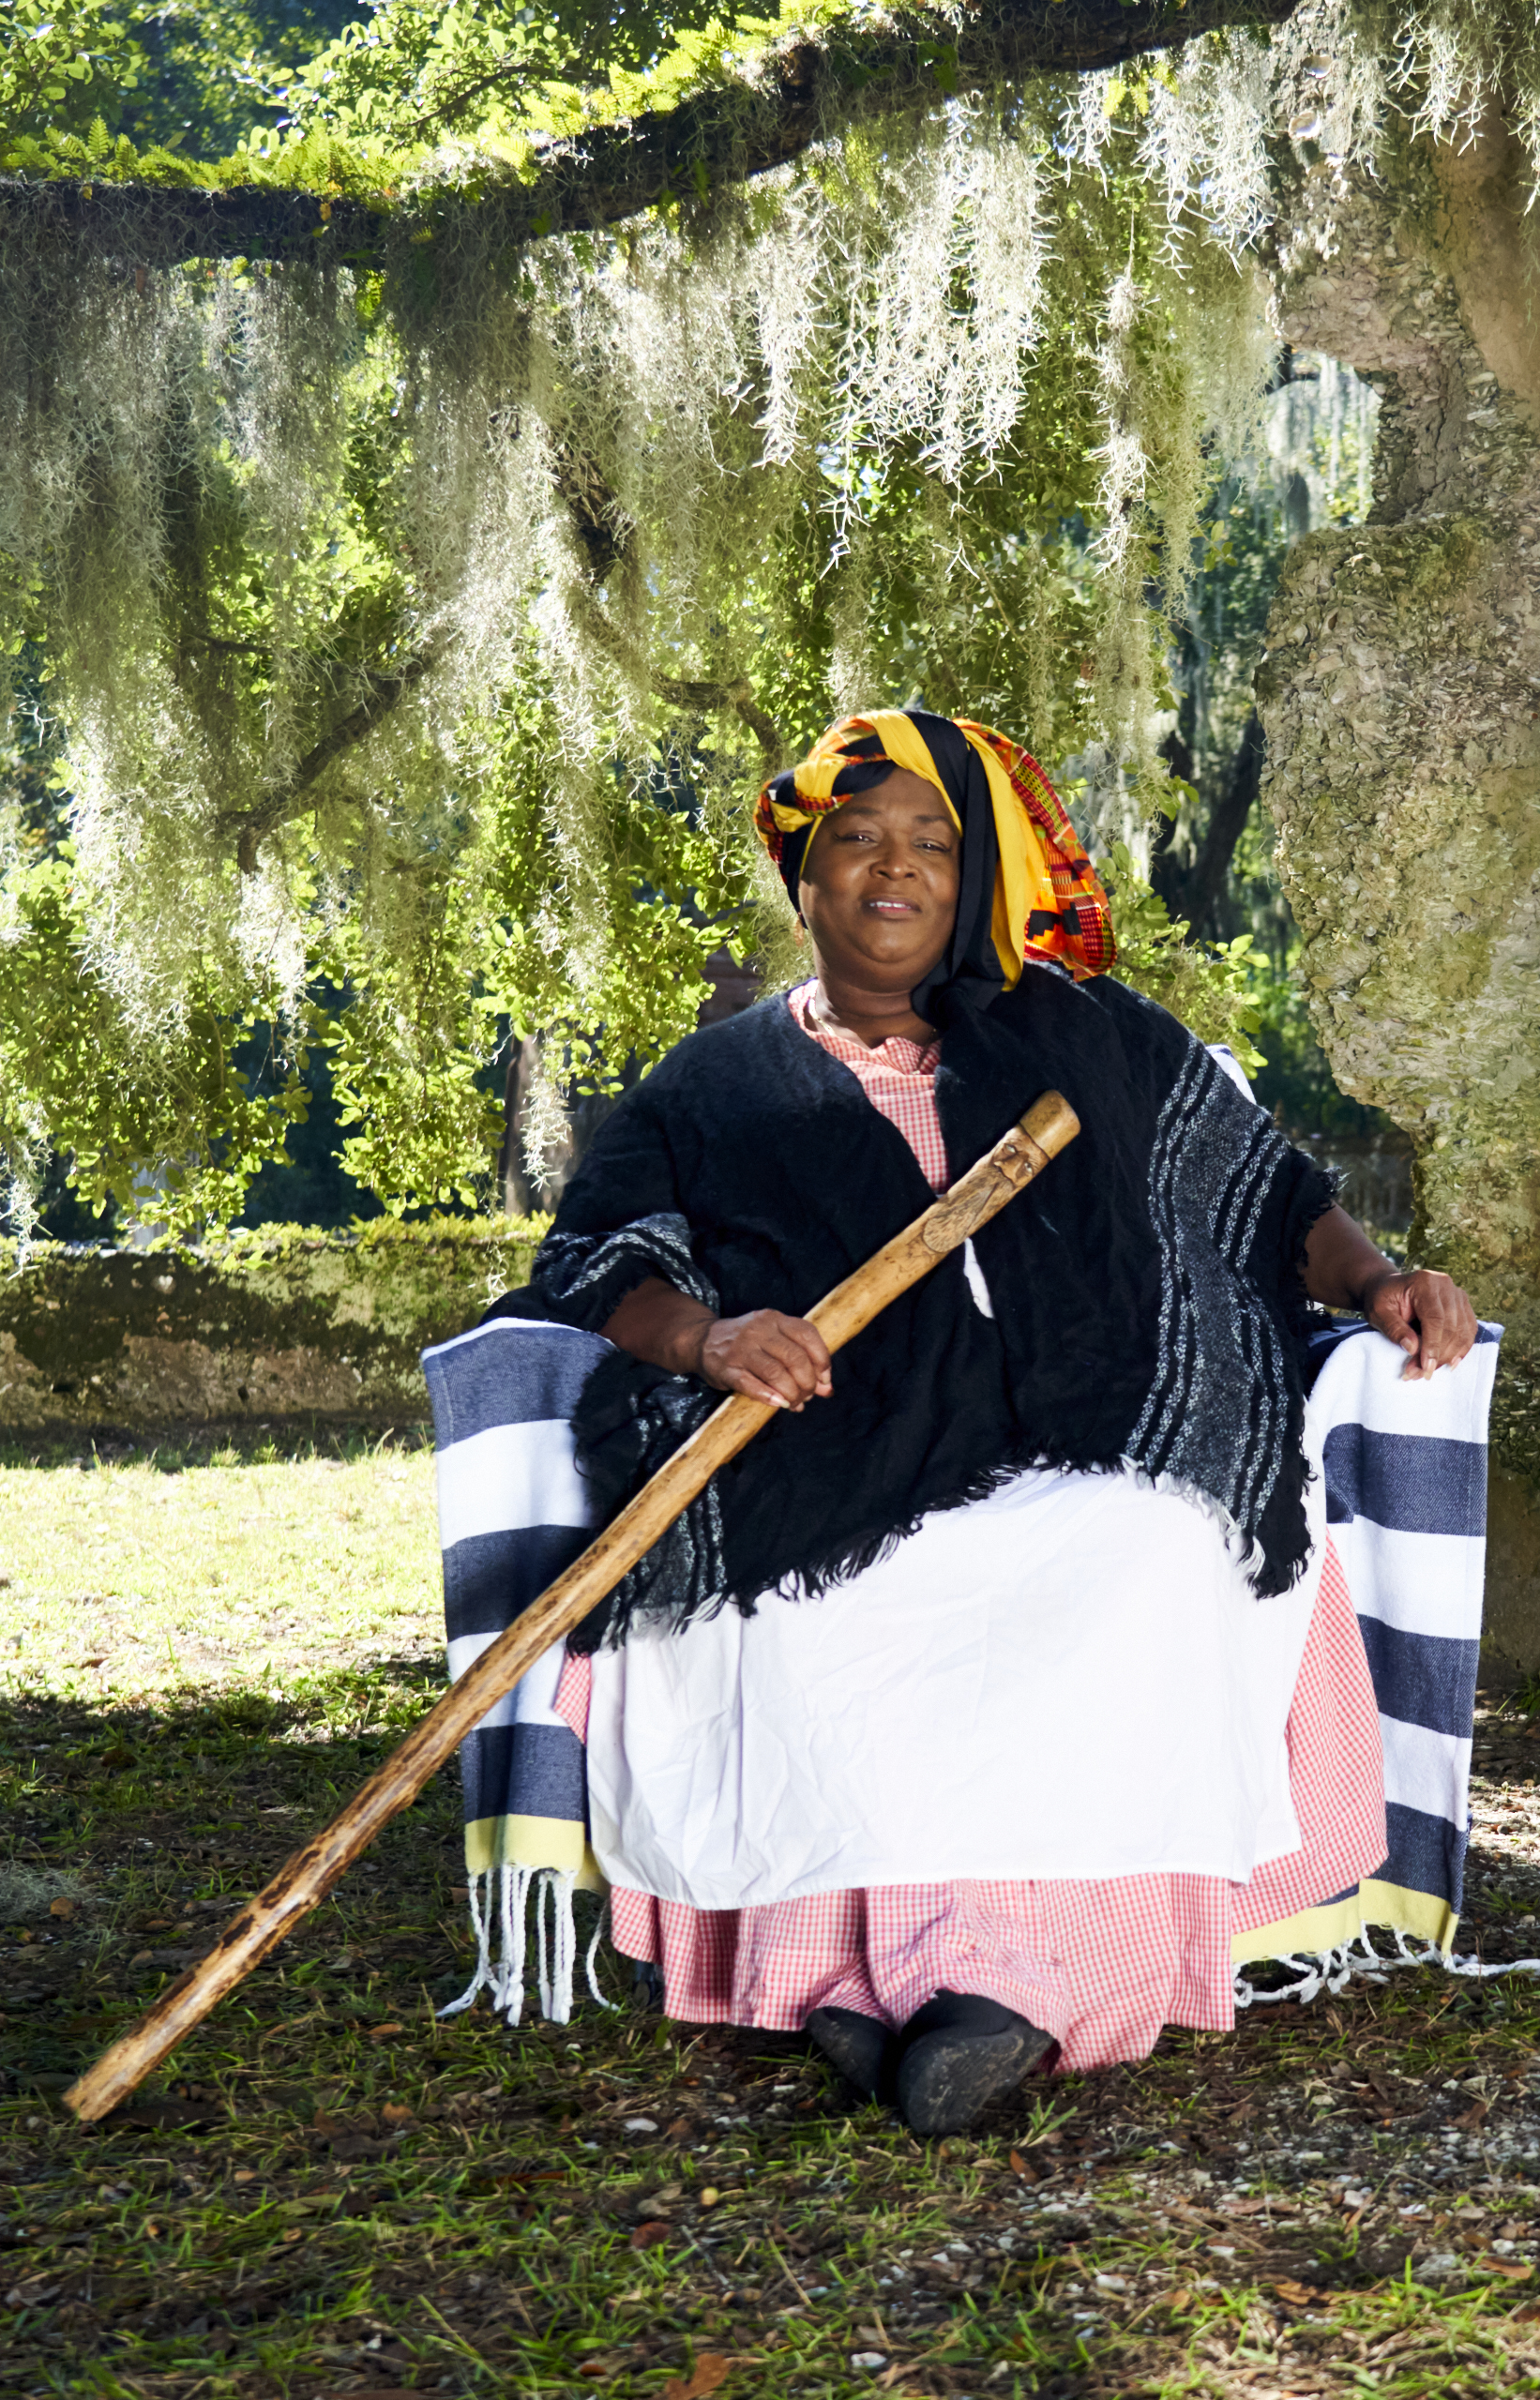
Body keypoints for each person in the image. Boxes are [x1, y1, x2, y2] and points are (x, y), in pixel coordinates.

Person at [511, 708, 1476, 2136]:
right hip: (827, 1457)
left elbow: (1271, 1200)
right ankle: (947, 2003)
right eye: (856, 841)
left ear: (974, 886)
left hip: (1100, 1438)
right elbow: (600, 1265)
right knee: (823, 1595)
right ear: (805, 878)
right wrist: (708, 1339)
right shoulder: (709, 1084)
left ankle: (928, 1998)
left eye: (930, 848)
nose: (891, 873)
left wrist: (1382, 1280)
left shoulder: (1082, 1038)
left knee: (1141, 1550)